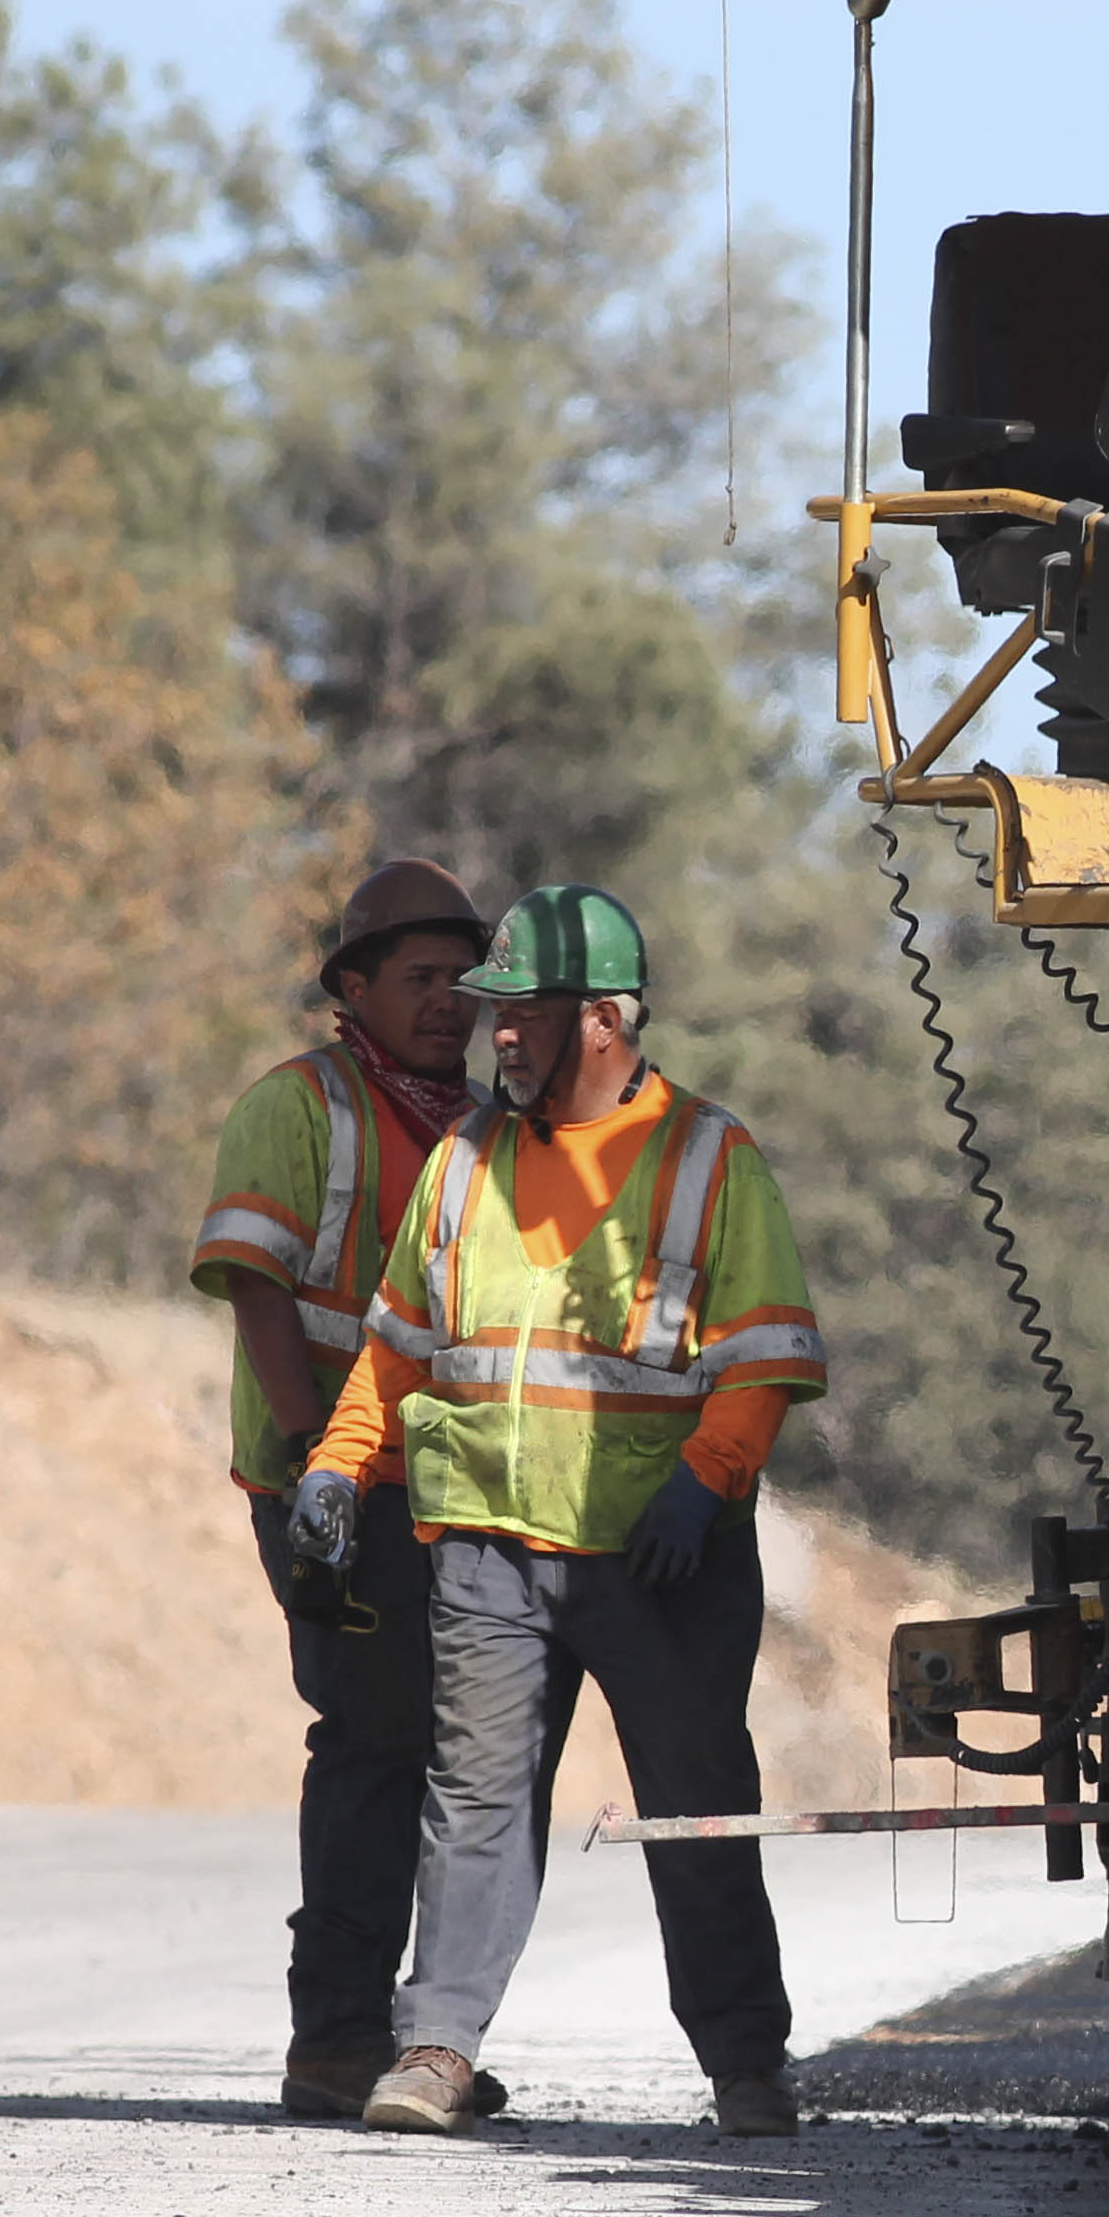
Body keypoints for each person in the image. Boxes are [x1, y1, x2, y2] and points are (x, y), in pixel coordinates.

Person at [286, 883, 828, 2137]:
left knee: (695, 1807)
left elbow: (767, 1357)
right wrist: (338, 1462)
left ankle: (746, 2064)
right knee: (473, 1803)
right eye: (492, 1016)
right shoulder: (468, 1161)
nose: (495, 1036)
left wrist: (704, 1486)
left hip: (661, 1558)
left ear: (599, 1020)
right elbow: (403, 1346)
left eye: (517, 1013)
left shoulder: (709, 1159)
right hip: (486, 1542)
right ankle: (436, 2048)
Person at [188, 858, 498, 2121]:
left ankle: (416, 2043)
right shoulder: (297, 1107)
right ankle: (335, 2040)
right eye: (418, 979)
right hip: (333, 1486)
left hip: (448, 1494)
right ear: (352, 989)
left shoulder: (483, 1127)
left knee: (449, 1758)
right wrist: (323, 1468)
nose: (446, 1002)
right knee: (373, 1741)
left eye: (461, 982)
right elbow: (262, 1289)